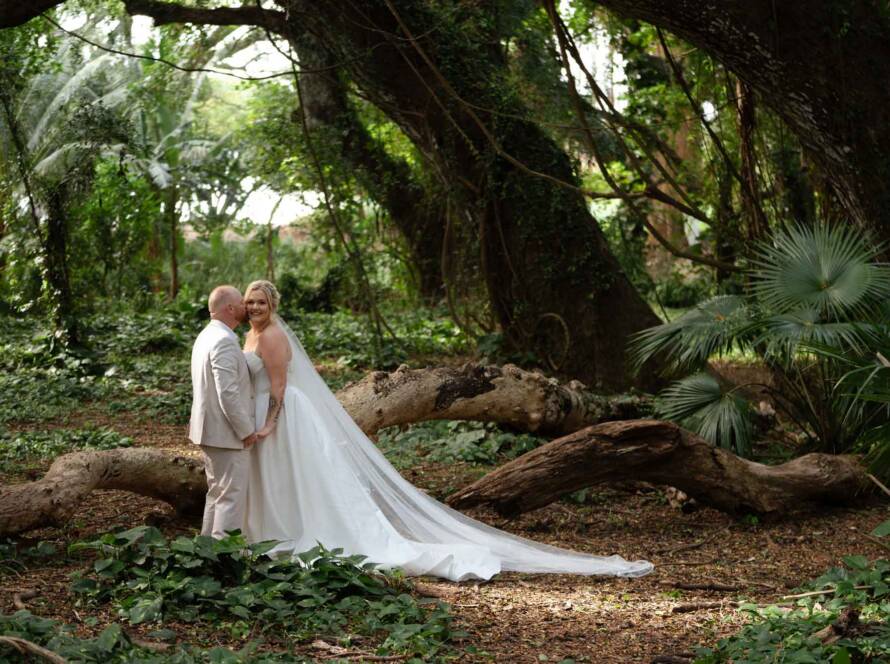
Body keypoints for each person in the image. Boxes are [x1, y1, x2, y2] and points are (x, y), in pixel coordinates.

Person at [241, 279, 652, 581]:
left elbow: (279, 386)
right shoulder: (251, 333)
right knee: (277, 481)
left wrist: (268, 424)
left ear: (273, 304)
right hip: (264, 415)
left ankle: (292, 534)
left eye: (260, 301)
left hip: (283, 416)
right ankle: (271, 532)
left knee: (293, 478)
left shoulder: (273, 337)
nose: (254, 306)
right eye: (249, 301)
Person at [189, 285, 258, 539]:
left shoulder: (206, 335)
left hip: (210, 429)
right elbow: (227, 393)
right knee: (230, 496)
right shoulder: (224, 341)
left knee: (217, 493)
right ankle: (225, 558)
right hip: (226, 433)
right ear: (230, 308)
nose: (246, 306)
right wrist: (246, 430)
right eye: (241, 302)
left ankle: (206, 548)